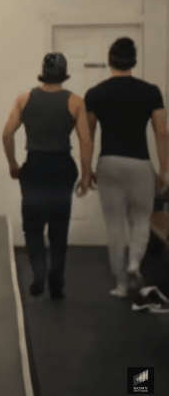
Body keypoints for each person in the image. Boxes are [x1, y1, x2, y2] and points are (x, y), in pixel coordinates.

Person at [2, 53, 94, 300]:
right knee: (59, 229)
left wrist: (13, 164)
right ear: (64, 75)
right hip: (62, 167)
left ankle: (38, 275)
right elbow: (85, 140)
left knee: (32, 227)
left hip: (34, 167)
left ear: (43, 72)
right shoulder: (75, 101)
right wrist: (86, 175)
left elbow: (7, 134)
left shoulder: (24, 99)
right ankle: (56, 283)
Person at [83, 37, 169, 297]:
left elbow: (87, 137)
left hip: (109, 164)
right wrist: (164, 170)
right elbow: (162, 133)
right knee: (141, 220)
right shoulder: (151, 92)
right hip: (140, 164)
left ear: (110, 61)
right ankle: (134, 264)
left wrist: (87, 171)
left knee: (115, 226)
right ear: (134, 61)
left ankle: (121, 285)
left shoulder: (95, 93)